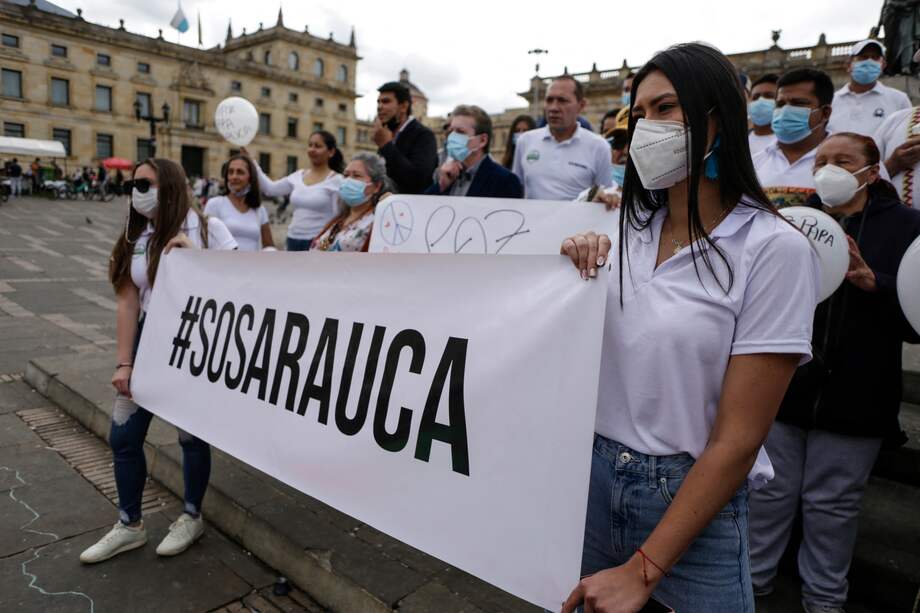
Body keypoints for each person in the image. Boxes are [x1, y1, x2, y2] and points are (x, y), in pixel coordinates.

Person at [558, 42, 819, 613]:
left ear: (718, 119)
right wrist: (573, 261)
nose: (649, 126)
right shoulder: (622, 234)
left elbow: (738, 439)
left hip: (691, 502)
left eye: (667, 108)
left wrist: (645, 569)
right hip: (590, 482)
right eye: (641, 112)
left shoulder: (773, 249)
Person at [749, 133, 920, 613]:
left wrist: (876, 284)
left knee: (833, 506)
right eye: (821, 161)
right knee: (769, 494)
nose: (828, 169)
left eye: (843, 161)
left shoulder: (908, 227)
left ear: (872, 170)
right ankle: (752, 582)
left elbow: (915, 321)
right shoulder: (796, 222)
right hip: (786, 389)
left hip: (858, 396)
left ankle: (824, 600)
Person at [79, 158, 238, 565]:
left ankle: (191, 515)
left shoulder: (208, 229)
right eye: (135, 184)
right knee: (124, 436)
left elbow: (241, 286)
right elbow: (128, 301)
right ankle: (129, 524)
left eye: (146, 183)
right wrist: (123, 362)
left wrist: (196, 259)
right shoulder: (139, 234)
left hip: (195, 346)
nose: (138, 191)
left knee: (191, 436)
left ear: (170, 185)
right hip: (150, 342)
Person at [512, 76, 613, 200]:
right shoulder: (525, 142)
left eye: (562, 100)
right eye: (549, 100)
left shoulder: (599, 147)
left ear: (581, 105)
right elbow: (516, 193)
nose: (553, 108)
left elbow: (606, 197)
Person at [245, 130, 344, 251]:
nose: (312, 149)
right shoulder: (298, 176)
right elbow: (270, 189)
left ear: (331, 152)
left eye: (318, 146)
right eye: (310, 145)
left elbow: (340, 216)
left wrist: (326, 243)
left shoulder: (337, 180)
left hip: (319, 242)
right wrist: (252, 162)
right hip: (292, 239)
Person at [753, 68, 833, 207]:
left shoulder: (853, 161)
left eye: (798, 103)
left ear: (825, 113)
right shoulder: (754, 163)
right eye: (780, 104)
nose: (785, 111)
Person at [425, 104, 522, 198]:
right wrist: (441, 186)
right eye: (451, 131)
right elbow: (423, 209)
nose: (452, 137)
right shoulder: (446, 174)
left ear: (482, 140)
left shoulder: (505, 181)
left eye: (460, 132)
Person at [826, 39, 910, 137]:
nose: (869, 61)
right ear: (848, 65)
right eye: (863, 57)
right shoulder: (831, 100)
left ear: (883, 66)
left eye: (875, 58)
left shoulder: (899, 100)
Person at [312, 153, 389, 252]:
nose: (348, 180)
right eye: (346, 175)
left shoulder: (378, 221)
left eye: (356, 175)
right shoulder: (340, 218)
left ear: (377, 186)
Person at [373, 81, 438, 194]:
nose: (380, 107)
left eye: (386, 102)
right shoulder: (387, 135)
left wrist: (386, 146)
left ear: (403, 106)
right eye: (378, 102)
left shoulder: (424, 136)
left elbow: (417, 179)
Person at [204, 155, 274, 251]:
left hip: (251, 264)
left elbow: (269, 246)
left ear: (250, 177)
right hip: (222, 264)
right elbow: (204, 241)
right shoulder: (214, 204)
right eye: (230, 172)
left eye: (240, 172)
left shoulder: (259, 209)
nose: (234, 176)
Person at [748, 74, 779, 155]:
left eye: (769, 96)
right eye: (755, 97)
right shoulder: (737, 142)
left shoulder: (792, 144)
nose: (760, 101)